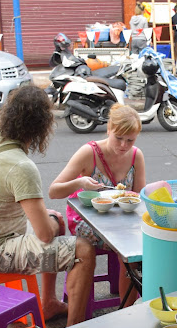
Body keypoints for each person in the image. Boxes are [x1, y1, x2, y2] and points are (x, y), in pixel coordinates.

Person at [0, 85, 96, 326]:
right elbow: (44, 235)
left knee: (56, 219)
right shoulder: (21, 167)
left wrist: (51, 222)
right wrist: (51, 225)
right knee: (84, 250)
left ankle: (49, 303)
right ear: (42, 126)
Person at [49, 104, 146, 306]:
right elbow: (54, 190)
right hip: (86, 220)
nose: (123, 145)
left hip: (121, 221)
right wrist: (79, 182)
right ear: (108, 129)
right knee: (126, 248)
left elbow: (139, 197)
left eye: (130, 140)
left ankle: (128, 310)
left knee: (139, 249)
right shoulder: (89, 153)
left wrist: (128, 197)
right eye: (118, 138)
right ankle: (126, 309)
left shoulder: (136, 156)